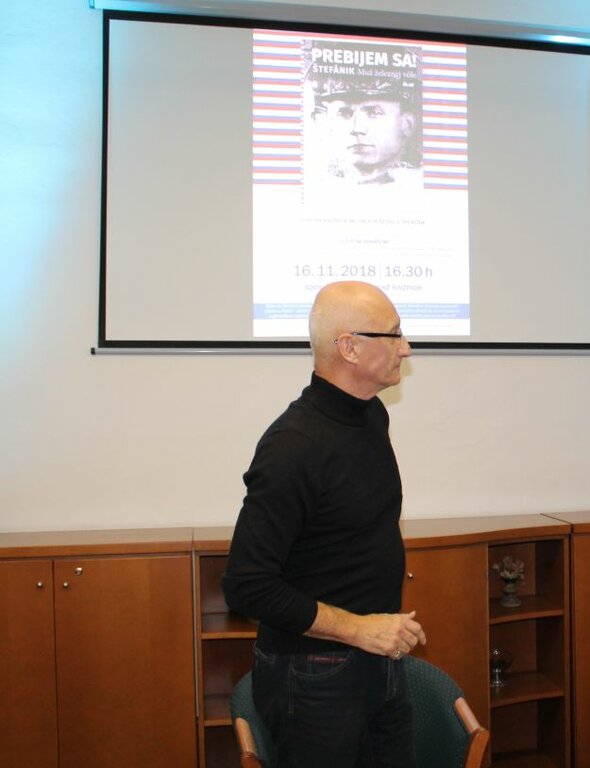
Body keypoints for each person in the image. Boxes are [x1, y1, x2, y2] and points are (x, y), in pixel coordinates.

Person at [222, 281, 424, 767]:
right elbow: (247, 586)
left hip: (379, 657)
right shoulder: (293, 446)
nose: (406, 348)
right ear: (349, 347)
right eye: (394, 334)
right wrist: (358, 630)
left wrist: (373, 634)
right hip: (312, 675)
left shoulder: (371, 416)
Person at [313, 75, 421, 186]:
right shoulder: (321, 184)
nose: (356, 128)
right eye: (344, 113)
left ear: (407, 124)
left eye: (373, 113)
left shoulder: (417, 184)